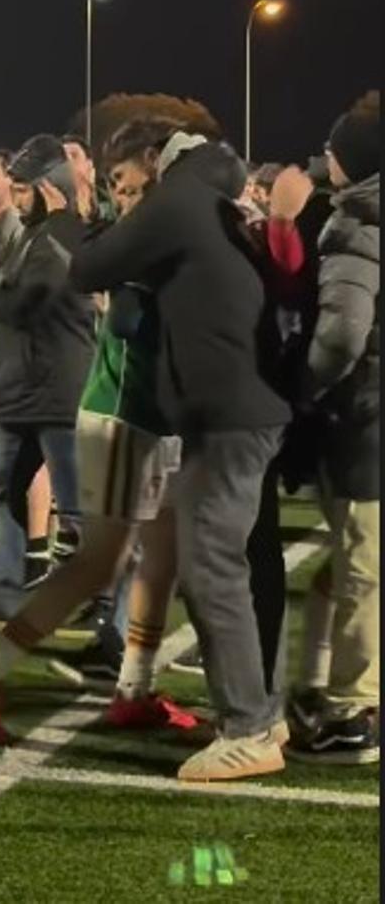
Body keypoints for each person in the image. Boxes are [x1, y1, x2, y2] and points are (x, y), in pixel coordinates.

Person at [0, 119, 201, 742]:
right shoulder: (105, 239)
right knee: (102, 558)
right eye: (120, 186)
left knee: (156, 558)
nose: (126, 199)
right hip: (123, 413)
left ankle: (131, 688)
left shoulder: (124, 235)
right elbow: (112, 309)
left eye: (134, 187)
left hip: (147, 416)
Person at [69, 131, 293, 782]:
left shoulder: (181, 201)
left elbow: (89, 268)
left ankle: (249, 726)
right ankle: (260, 711)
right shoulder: (220, 203)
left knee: (210, 568)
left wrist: (79, 218)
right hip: (244, 411)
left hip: (227, 416)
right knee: (230, 565)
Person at [287, 96, 380, 764]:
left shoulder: (357, 221)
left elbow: (343, 333)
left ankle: (352, 710)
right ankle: (317, 683)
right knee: (356, 564)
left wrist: (304, 386)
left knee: (362, 567)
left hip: (365, 419)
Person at [0, 135, 96, 622]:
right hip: (22, 392)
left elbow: (24, 307)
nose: (17, 199)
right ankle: (7, 588)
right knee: (1, 494)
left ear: (49, 188)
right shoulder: (31, 235)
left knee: (75, 508)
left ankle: (99, 601)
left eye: (25, 191)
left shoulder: (59, 241)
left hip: (58, 394)